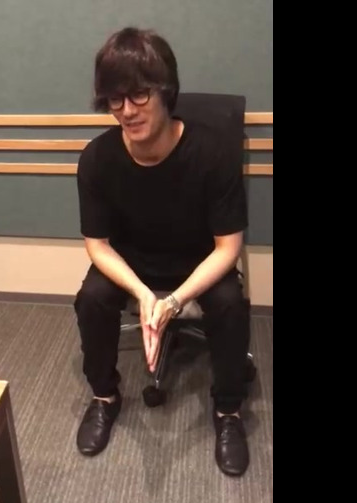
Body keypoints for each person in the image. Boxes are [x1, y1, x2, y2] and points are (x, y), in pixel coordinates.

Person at [73, 27, 253, 476]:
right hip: (133, 264)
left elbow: (228, 248)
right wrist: (142, 293)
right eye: (115, 98)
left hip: (200, 262)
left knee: (229, 304)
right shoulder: (97, 159)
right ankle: (104, 396)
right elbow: (98, 246)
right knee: (92, 298)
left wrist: (172, 301)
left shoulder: (213, 153)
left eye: (139, 94)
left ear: (165, 91)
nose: (127, 110)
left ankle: (228, 411)